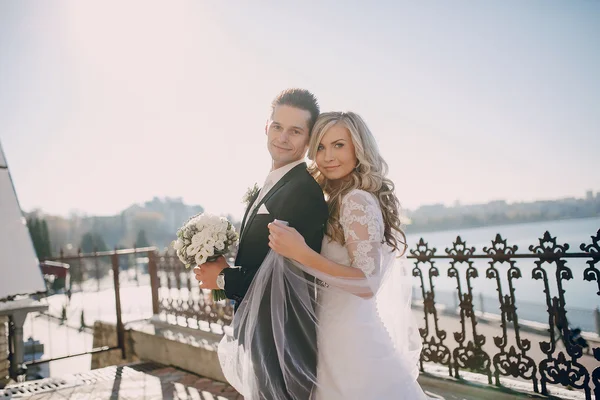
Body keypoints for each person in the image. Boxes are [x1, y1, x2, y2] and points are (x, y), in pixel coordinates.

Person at [267, 111, 428, 399]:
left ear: (358, 147)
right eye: (320, 147)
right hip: (332, 334)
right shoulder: (335, 199)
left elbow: (367, 284)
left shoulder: (356, 200)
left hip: (353, 343)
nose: (328, 156)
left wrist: (301, 252)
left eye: (338, 145)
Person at [194, 89, 328, 399]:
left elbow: (288, 274)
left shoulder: (303, 191)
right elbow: (262, 260)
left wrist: (224, 278)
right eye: (278, 126)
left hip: (282, 334)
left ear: (308, 140)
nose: (283, 137)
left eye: (296, 131)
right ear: (266, 127)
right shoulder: (275, 183)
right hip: (263, 330)